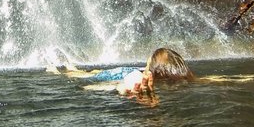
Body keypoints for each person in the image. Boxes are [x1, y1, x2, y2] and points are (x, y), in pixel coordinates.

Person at [51, 47, 194, 97]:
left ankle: (64, 70)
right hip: (122, 71)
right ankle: (64, 70)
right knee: (87, 72)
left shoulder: (141, 78)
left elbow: (118, 86)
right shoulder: (181, 77)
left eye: (149, 64)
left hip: (121, 72)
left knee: (85, 73)